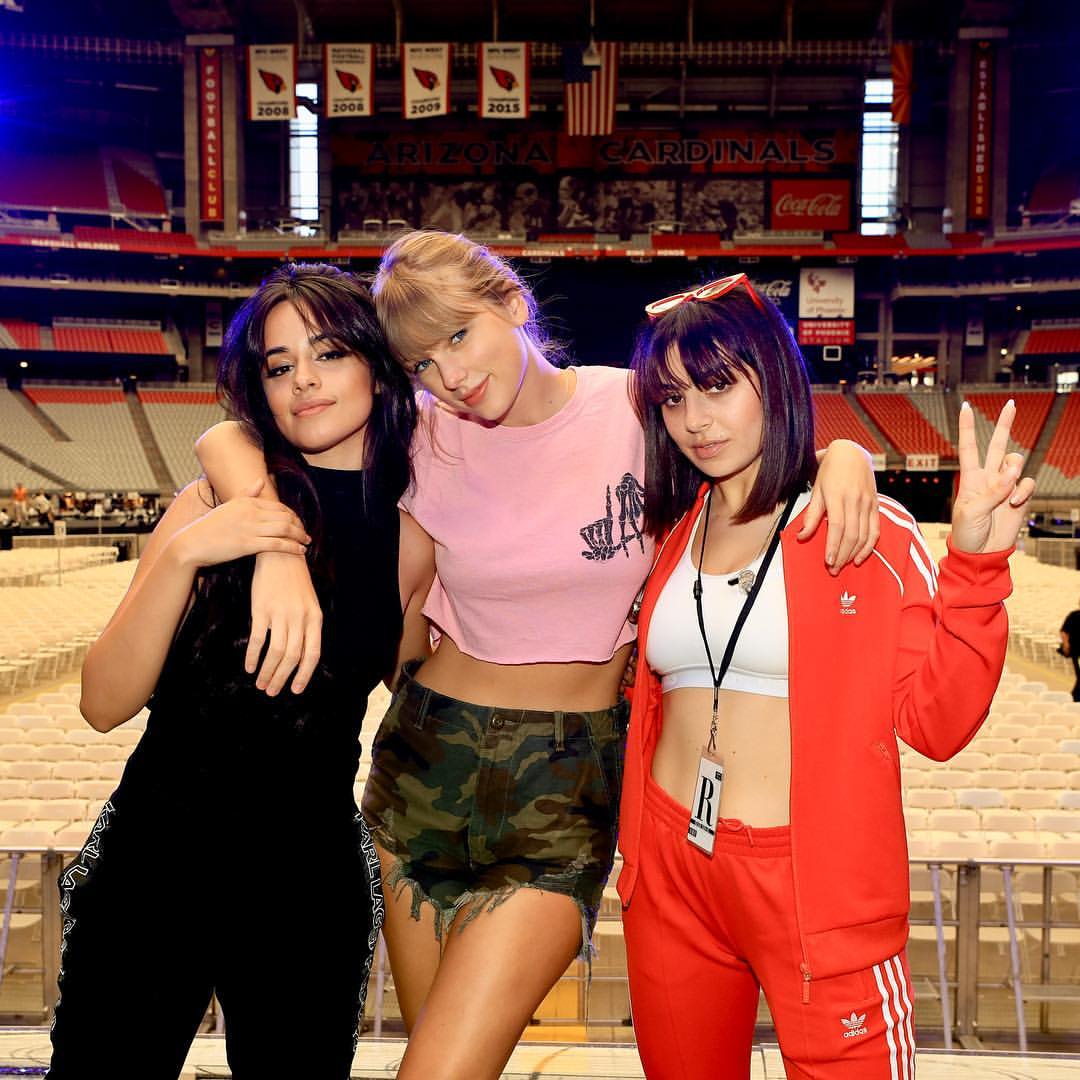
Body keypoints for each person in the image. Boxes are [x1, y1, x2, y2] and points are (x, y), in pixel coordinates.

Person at [195, 232, 880, 1080]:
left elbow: (750, 448)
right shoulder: (422, 435)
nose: (449, 375)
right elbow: (228, 439)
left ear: (513, 303)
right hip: (424, 766)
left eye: (459, 335)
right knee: (439, 1060)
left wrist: (844, 456)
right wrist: (275, 545)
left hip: (567, 780)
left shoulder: (635, 407)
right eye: (421, 361)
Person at [617, 274, 1035, 1079]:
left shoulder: (863, 527)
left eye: (717, 386)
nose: (695, 419)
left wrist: (977, 567)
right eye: (672, 398)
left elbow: (938, 725)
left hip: (814, 884)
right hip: (670, 870)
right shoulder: (674, 528)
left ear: (773, 378)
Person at [46, 265, 432, 1080]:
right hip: (152, 864)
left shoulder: (413, 541)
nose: (304, 381)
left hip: (306, 884)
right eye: (279, 365)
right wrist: (190, 551)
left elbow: (423, 691)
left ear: (377, 365)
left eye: (328, 354)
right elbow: (102, 702)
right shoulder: (208, 505)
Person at [1061, 597, 1080, 702]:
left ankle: (1075, 697)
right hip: (1077, 651)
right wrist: (1066, 644)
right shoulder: (1073, 616)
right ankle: (1075, 698)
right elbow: (1064, 631)